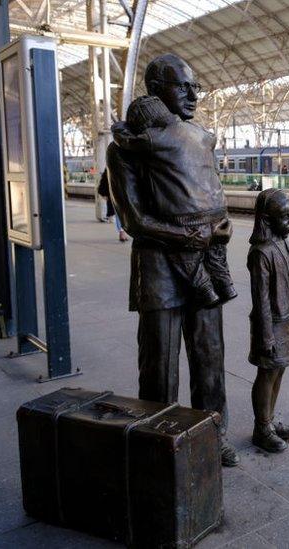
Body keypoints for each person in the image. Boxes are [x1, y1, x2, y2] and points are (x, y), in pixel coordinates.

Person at [107, 53, 240, 467]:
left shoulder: (197, 138)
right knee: (160, 367)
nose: (192, 94)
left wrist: (222, 227)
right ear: (156, 90)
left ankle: (212, 438)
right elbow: (134, 219)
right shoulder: (125, 151)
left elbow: (209, 196)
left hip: (202, 258)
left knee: (210, 358)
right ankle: (160, 445)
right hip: (159, 267)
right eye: (182, 85)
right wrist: (185, 234)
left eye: (194, 86)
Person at [112, 94, 236, 308]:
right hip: (217, 211)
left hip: (188, 216)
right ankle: (225, 284)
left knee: (187, 259)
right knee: (216, 255)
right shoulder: (201, 134)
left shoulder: (152, 138)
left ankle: (206, 290)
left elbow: (127, 141)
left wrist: (120, 130)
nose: (192, 95)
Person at [247, 189, 289, 453]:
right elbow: (260, 301)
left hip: (286, 321)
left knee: (279, 370)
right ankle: (262, 428)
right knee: (267, 373)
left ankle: (269, 419)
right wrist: (266, 335)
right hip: (269, 325)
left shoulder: (284, 244)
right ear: (267, 221)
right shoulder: (260, 253)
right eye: (285, 217)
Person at [96, 170, 129, 242]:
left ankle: (123, 232)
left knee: (123, 214)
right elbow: (105, 180)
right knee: (120, 214)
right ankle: (122, 232)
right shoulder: (111, 166)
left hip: (125, 194)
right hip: (117, 194)